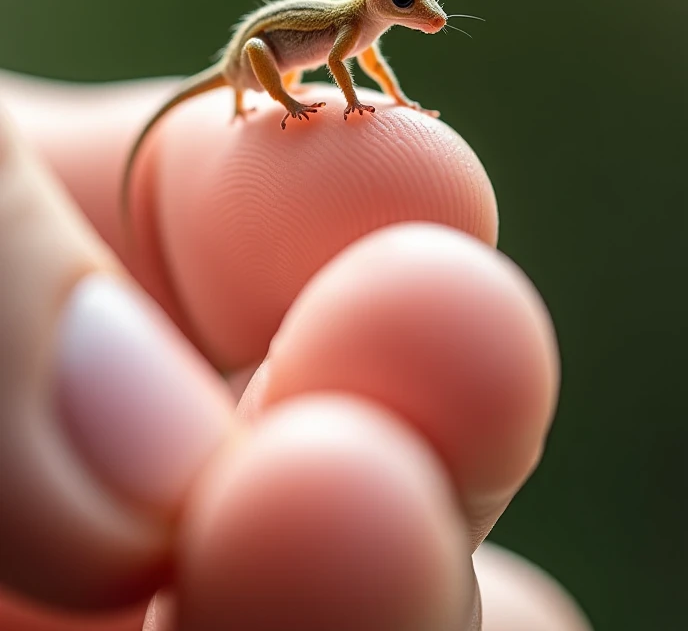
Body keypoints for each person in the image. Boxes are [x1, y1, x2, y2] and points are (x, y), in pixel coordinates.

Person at [0, 72, 591, 631]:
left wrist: (386, 100)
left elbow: (362, 67)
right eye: (410, 4)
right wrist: (288, 103)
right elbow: (331, 63)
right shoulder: (341, 33)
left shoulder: (364, 31)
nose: (429, 17)